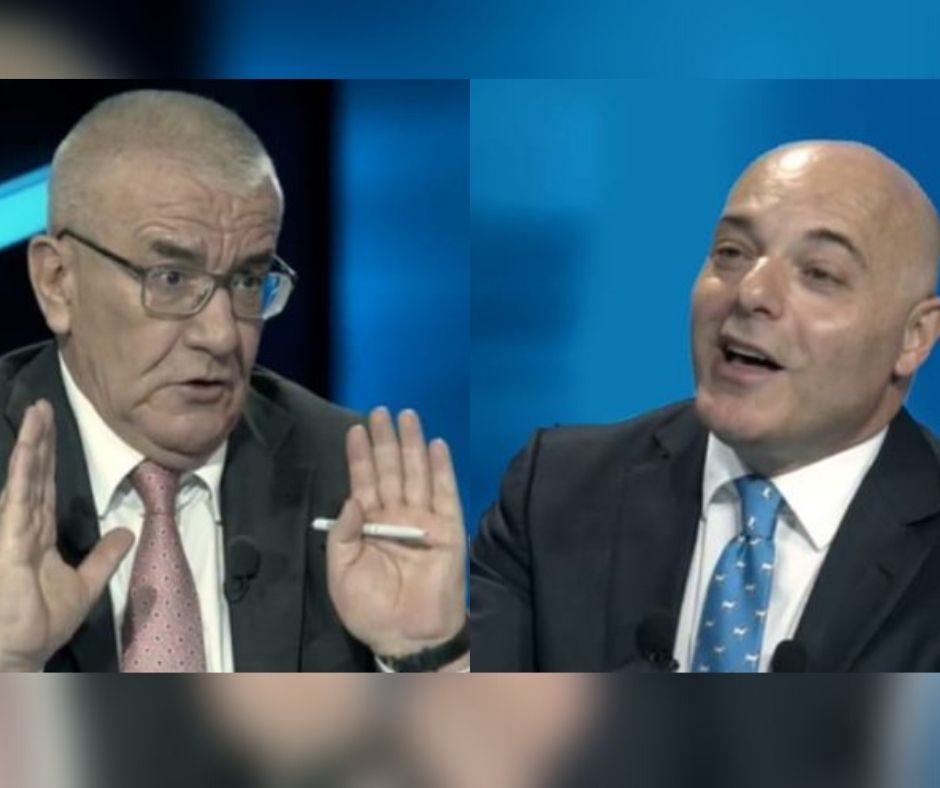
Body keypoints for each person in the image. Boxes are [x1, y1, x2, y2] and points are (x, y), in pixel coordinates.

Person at [0, 89, 468, 672]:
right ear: (57, 282)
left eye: (248, 281)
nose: (222, 335)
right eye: (171, 278)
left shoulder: (355, 483)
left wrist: (429, 653)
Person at [471, 140, 940, 672]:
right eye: (732, 253)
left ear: (914, 337)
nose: (751, 292)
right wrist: (433, 648)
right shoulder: (556, 493)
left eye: (819, 273)